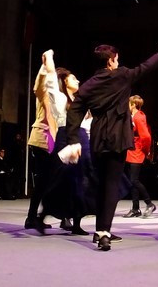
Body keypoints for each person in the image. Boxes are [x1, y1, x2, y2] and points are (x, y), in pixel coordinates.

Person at [62, 36, 158, 251]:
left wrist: (73, 140)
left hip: (97, 137)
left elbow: (74, 112)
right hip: (117, 136)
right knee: (111, 185)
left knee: (102, 184)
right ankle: (103, 232)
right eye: (116, 59)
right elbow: (147, 67)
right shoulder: (121, 76)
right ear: (110, 61)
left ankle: (100, 229)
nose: (117, 63)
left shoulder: (89, 85)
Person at [40, 49, 94, 235]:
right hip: (65, 139)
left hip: (83, 140)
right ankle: (42, 216)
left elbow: (88, 125)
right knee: (61, 181)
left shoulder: (81, 102)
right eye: (73, 79)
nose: (77, 81)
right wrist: (49, 57)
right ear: (65, 82)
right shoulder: (60, 98)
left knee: (82, 182)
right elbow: (51, 78)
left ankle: (77, 223)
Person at [24, 51, 57, 234]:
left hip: (53, 142)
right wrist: (45, 66)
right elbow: (38, 86)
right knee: (44, 181)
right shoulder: (45, 94)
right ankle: (33, 217)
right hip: (41, 139)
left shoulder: (59, 98)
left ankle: (36, 217)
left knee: (48, 182)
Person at [123, 95, 157, 218]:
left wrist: (146, 151)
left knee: (134, 180)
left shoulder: (139, 117)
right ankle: (135, 208)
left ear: (133, 105)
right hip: (131, 152)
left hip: (137, 152)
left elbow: (146, 136)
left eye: (129, 104)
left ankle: (149, 203)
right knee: (132, 181)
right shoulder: (132, 116)